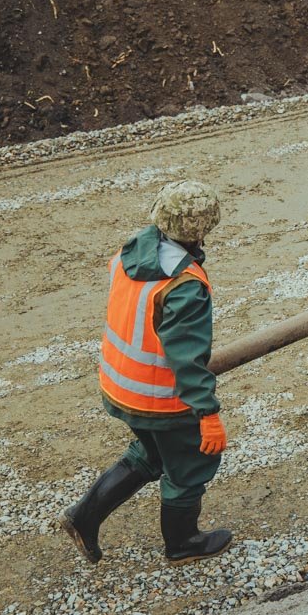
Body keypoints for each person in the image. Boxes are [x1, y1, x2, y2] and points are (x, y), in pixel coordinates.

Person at [61, 180, 232, 565]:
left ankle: (82, 517)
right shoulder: (184, 286)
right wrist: (207, 414)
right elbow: (186, 360)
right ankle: (183, 543)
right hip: (159, 398)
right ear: (202, 228)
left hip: (120, 385)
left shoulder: (131, 253)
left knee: (152, 455)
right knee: (189, 465)